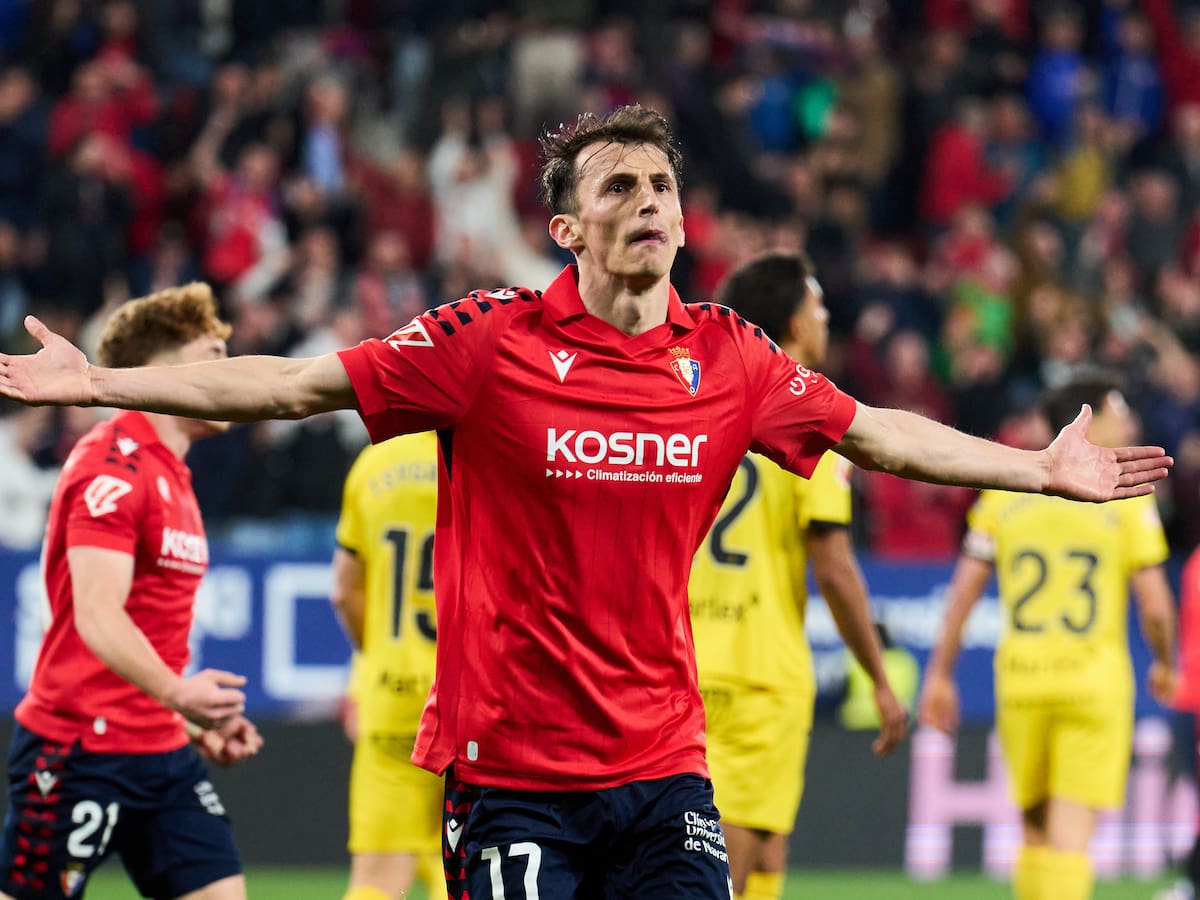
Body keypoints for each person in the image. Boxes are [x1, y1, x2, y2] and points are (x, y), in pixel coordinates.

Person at [0, 106, 1172, 899]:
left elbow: (876, 434)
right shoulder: (487, 341)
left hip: (665, 766)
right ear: (568, 227)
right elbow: (291, 384)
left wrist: (1036, 468)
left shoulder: (731, 356)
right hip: (513, 774)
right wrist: (100, 383)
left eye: (665, 182)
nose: (653, 199)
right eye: (623, 185)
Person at [0, 283, 263, 900]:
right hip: (77, 748)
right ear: (162, 369)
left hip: (162, 749)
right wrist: (179, 692)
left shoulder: (173, 473)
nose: (232, 371)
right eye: (215, 352)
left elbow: (147, 625)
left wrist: (191, 721)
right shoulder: (112, 467)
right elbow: (96, 614)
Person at [687, 251, 908, 900]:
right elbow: (835, 569)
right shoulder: (807, 412)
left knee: (764, 852)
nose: (827, 316)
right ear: (792, 323)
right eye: (817, 304)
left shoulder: (696, 406)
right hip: (758, 679)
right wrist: (879, 676)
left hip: (679, 669)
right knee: (722, 870)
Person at [918, 372, 1176, 900]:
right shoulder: (1123, 496)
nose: (1127, 421)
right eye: (1119, 409)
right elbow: (1153, 605)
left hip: (1023, 684)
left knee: (1034, 834)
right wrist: (1166, 662)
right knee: (1069, 841)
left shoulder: (1010, 489)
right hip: (1092, 687)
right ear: (1091, 418)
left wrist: (940, 673)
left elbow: (963, 591)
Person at [330, 432, 446, 900]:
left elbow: (343, 589)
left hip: (392, 697)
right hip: (475, 700)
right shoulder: (495, 450)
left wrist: (374, 658)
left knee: (377, 881)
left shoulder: (375, 462)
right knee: (478, 865)